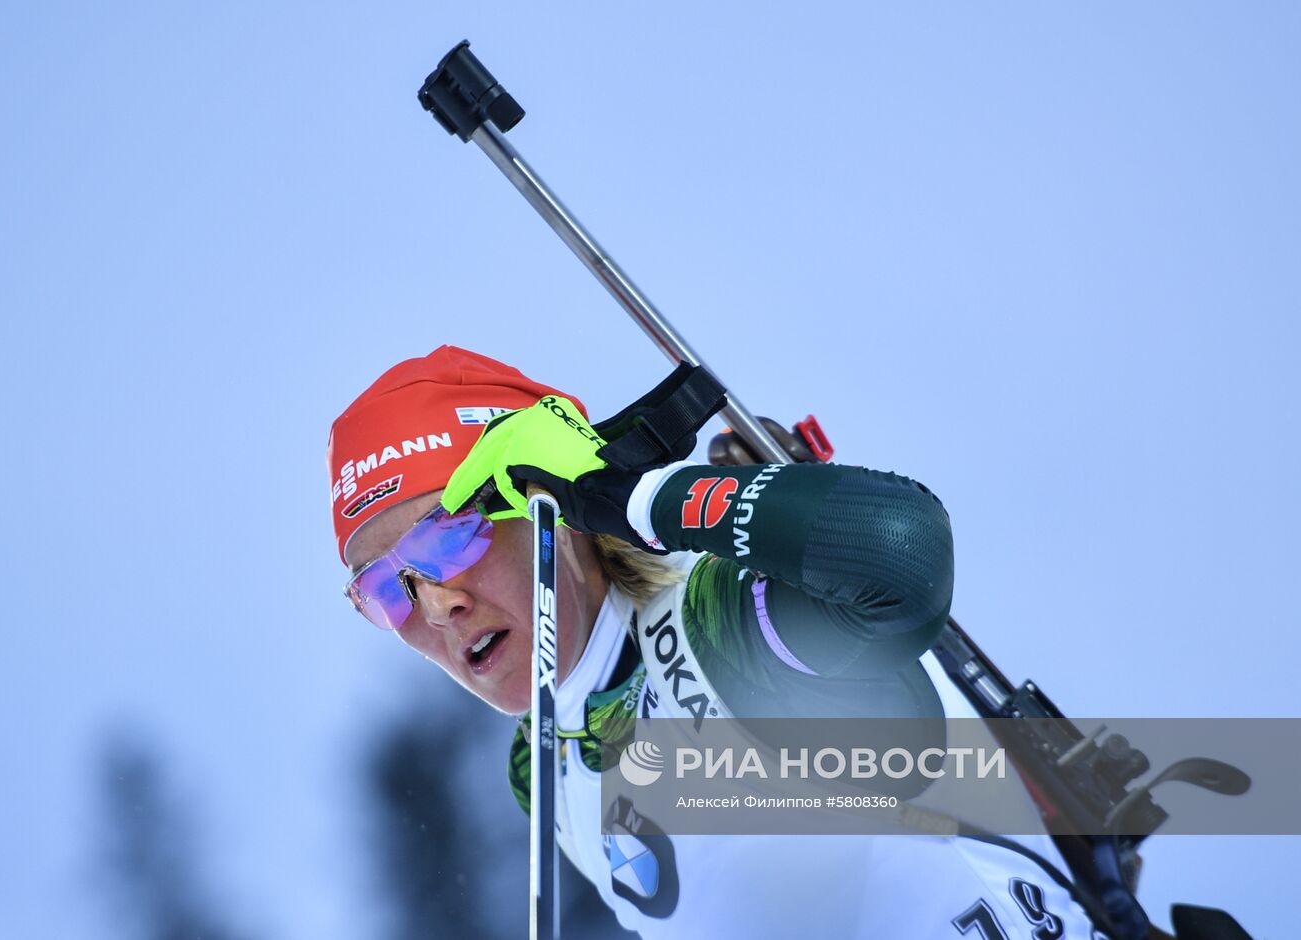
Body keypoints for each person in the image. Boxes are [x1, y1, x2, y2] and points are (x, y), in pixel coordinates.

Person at [327, 344, 1115, 939]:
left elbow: (903, 556)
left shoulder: (718, 622)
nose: (436, 606)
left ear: (547, 506)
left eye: (449, 540)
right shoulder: (543, 765)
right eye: (384, 589)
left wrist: (638, 497)